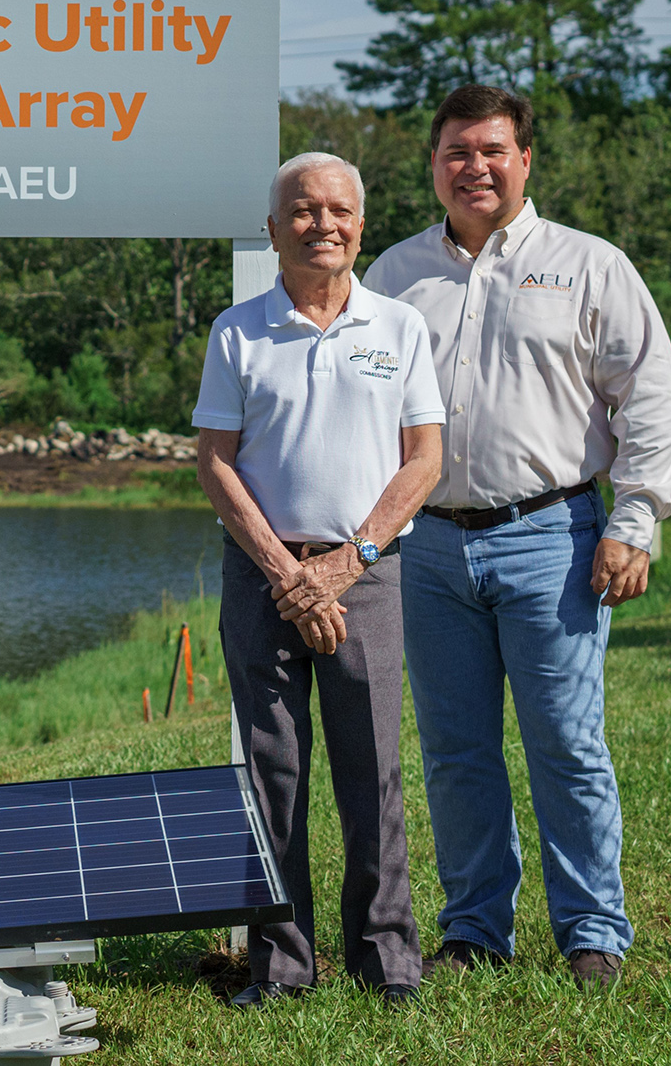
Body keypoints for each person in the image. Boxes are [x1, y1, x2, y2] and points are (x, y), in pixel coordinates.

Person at [365, 85, 671, 990]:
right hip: (425, 548)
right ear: (433, 165)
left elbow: (651, 398)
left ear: (526, 160)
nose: (476, 165)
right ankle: (475, 929)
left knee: (566, 744)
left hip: (553, 535)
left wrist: (634, 521)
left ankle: (592, 932)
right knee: (456, 750)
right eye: (457, 151)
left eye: (493, 149)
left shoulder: (589, 265)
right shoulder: (392, 276)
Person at [193, 152, 446, 1008]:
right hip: (263, 571)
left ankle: (387, 958)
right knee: (272, 768)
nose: (322, 224)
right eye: (302, 211)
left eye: (338, 210)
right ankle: (281, 965)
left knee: (372, 766)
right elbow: (215, 463)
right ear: (273, 229)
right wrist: (285, 572)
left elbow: (425, 461)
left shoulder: (400, 327)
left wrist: (344, 564)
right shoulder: (237, 329)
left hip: (367, 571)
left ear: (361, 226)